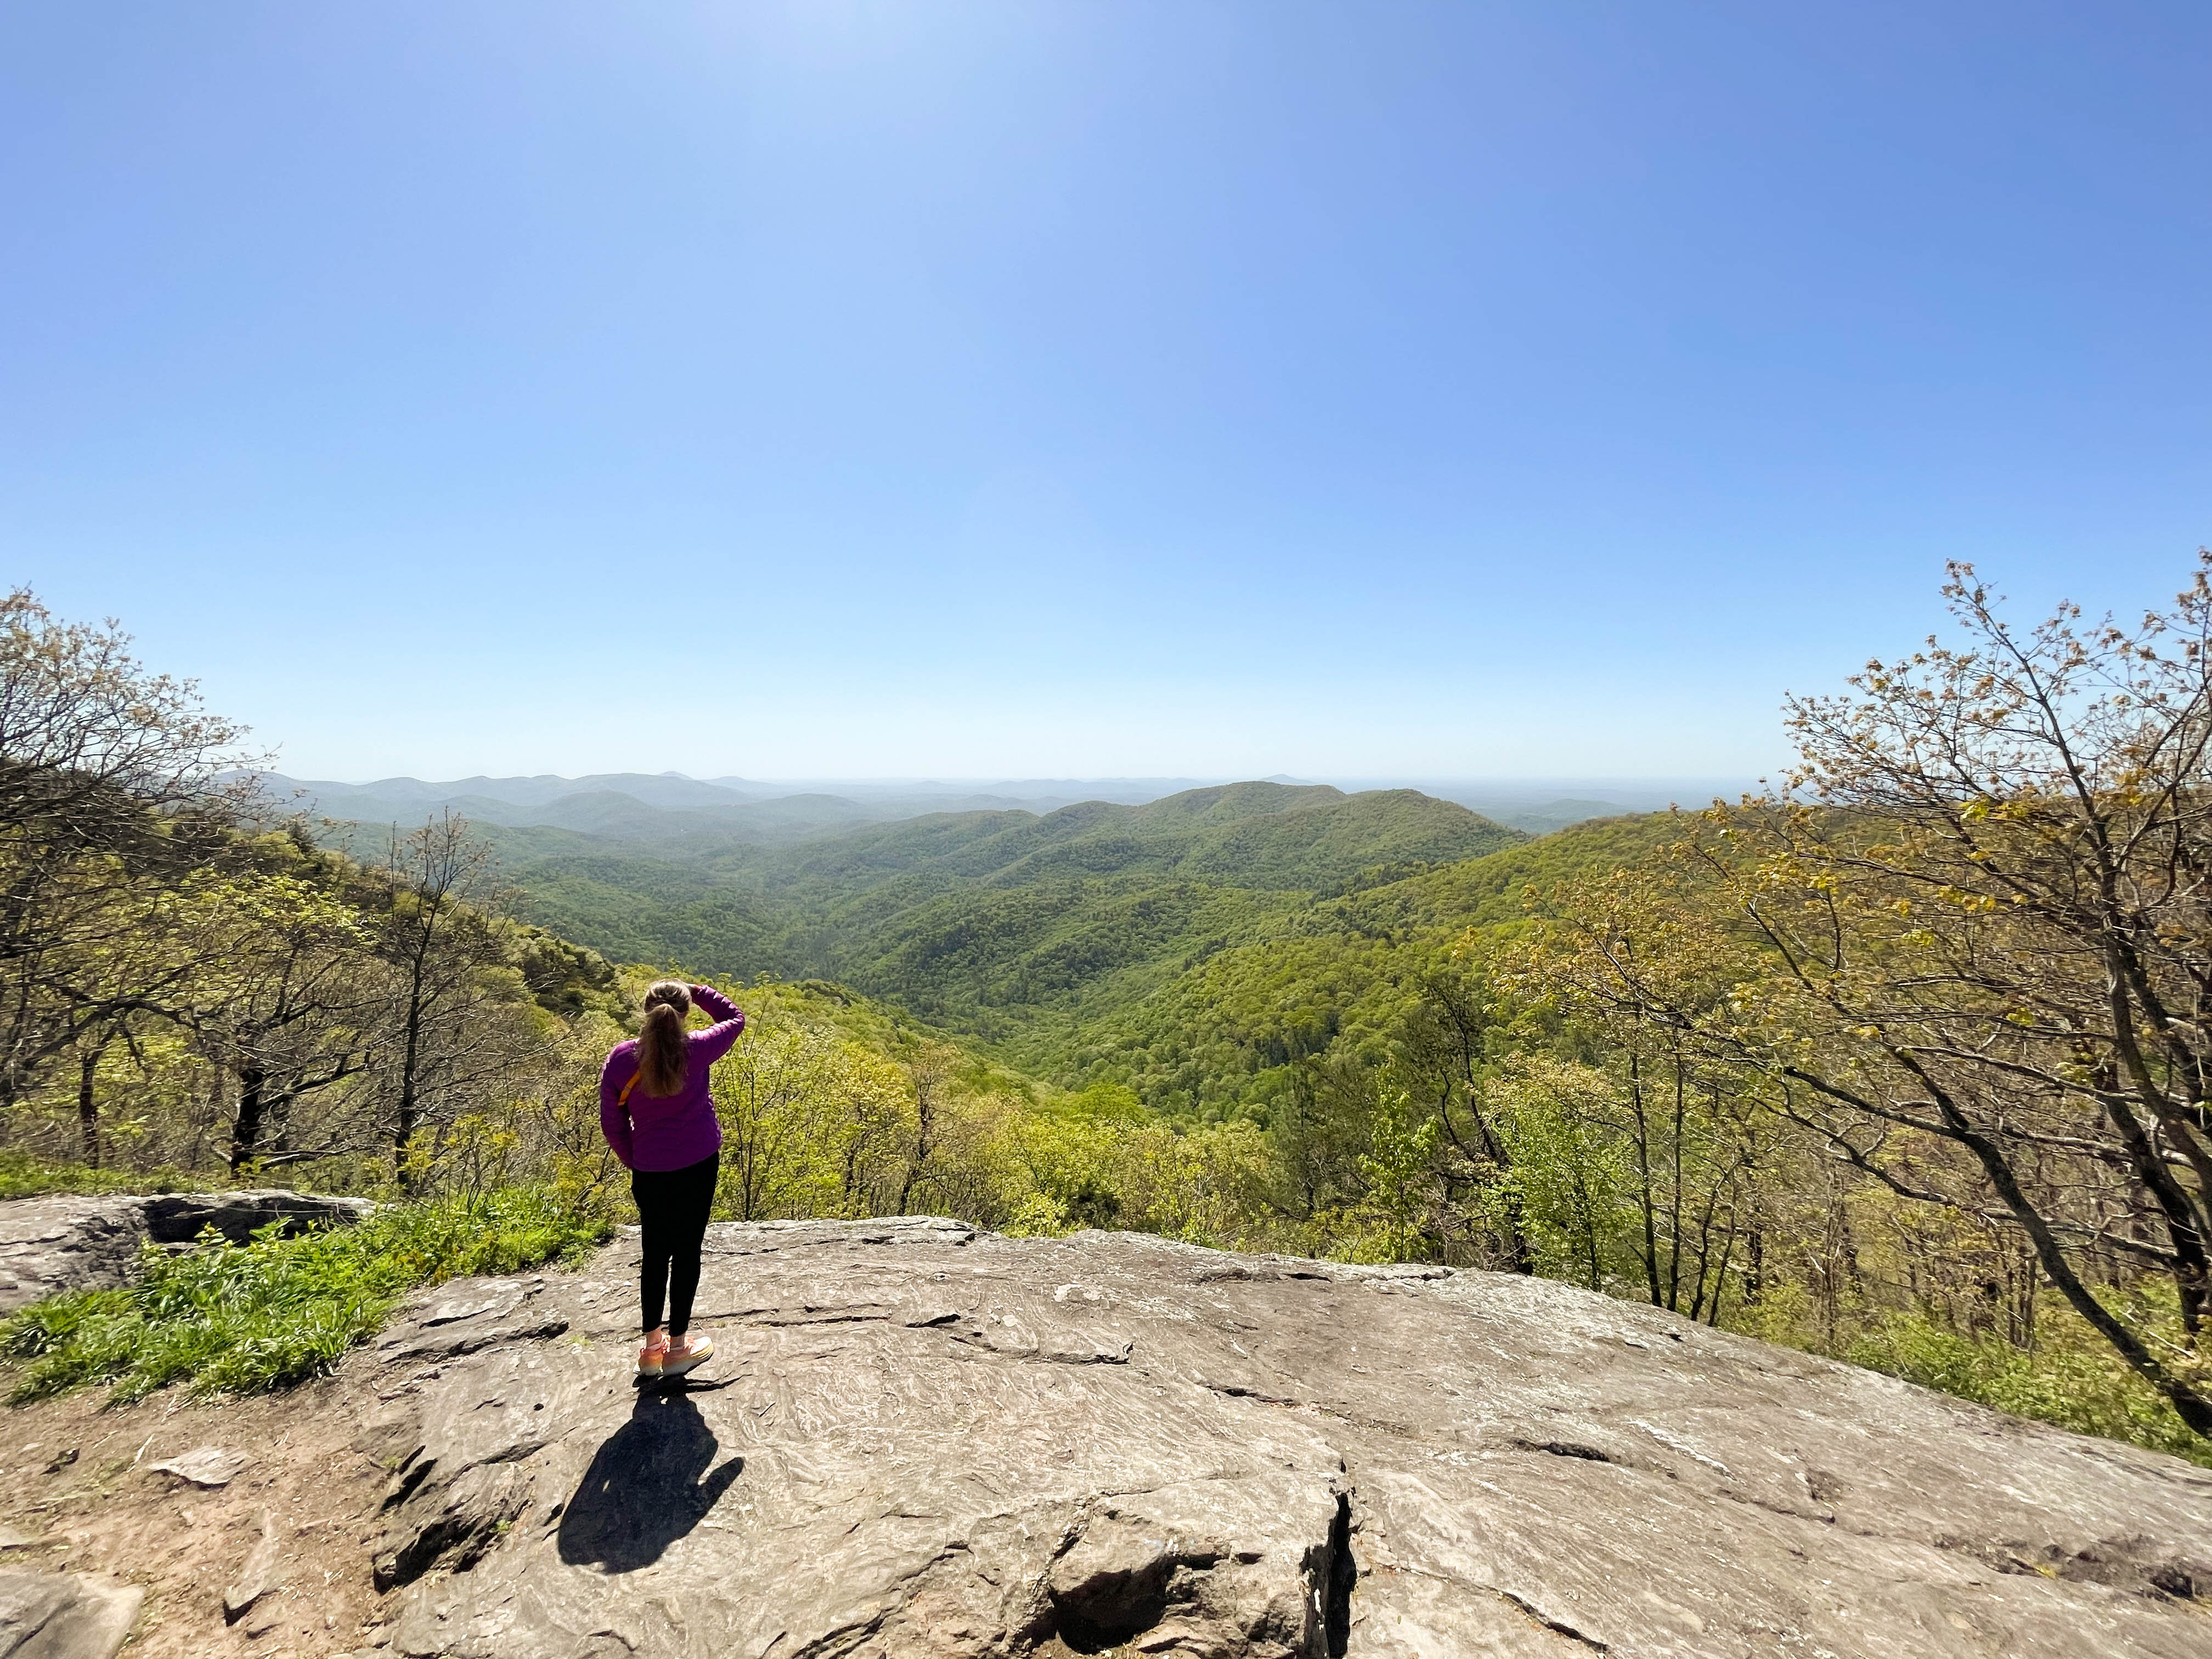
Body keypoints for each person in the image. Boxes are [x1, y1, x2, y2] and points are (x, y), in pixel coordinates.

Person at [599, 980, 746, 1380]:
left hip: (650, 1170)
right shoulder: (695, 1049)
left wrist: (638, 1159)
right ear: (684, 1015)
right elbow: (735, 1018)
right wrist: (698, 990)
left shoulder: (622, 1059)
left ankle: (650, 1351)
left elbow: (612, 1123)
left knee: (654, 1254)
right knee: (686, 1254)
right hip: (698, 1163)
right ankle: (679, 1349)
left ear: (646, 1011)